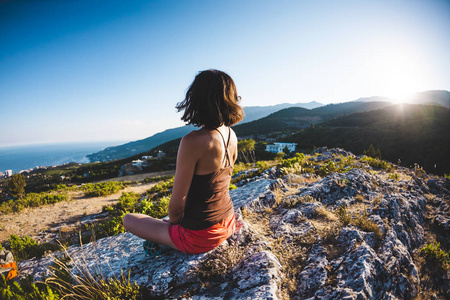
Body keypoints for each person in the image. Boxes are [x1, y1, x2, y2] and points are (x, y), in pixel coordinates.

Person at [123, 69, 244, 254]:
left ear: (196, 99)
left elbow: (177, 206)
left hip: (200, 237)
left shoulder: (192, 141)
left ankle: (167, 243)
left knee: (129, 219)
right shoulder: (231, 134)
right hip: (227, 221)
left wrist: (173, 222)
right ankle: (167, 238)